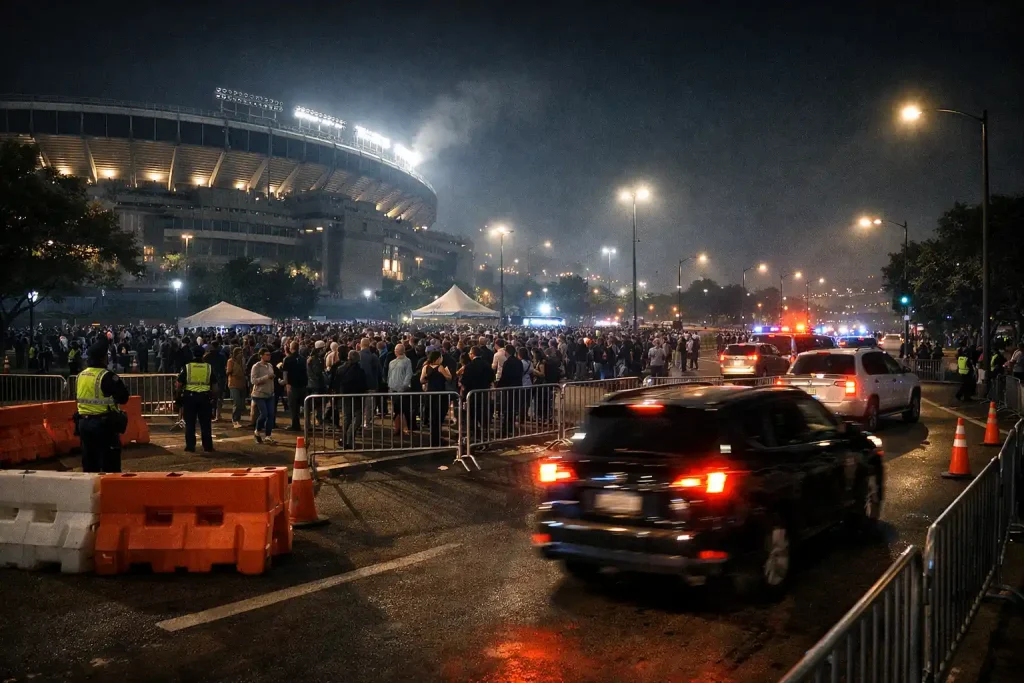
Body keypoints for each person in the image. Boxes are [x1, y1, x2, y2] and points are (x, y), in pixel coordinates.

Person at [75, 339, 130, 473]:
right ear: (103, 357)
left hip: (83, 424)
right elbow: (124, 398)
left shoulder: (80, 375)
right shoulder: (107, 376)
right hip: (103, 425)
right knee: (110, 465)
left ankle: (91, 492)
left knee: (89, 465)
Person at [176, 346, 216, 453]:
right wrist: (213, 398)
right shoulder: (208, 367)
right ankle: (207, 446)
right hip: (205, 398)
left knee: (190, 423)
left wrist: (178, 396)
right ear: (203, 354)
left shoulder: (187, 367)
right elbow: (215, 385)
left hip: (190, 398)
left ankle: (190, 447)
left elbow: (179, 384)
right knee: (206, 424)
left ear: (193, 354)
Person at [333, 350, 368, 449]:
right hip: (357, 397)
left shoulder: (340, 369)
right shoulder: (359, 371)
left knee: (346, 418)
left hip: (345, 397)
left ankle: (345, 440)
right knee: (358, 418)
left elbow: (336, 383)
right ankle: (349, 437)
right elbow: (363, 385)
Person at [420, 350, 452, 446]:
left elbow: (421, 380)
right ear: (438, 358)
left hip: (430, 394)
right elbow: (449, 378)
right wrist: (447, 373)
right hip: (440, 394)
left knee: (432, 417)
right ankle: (437, 438)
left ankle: (433, 438)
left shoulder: (425, 367)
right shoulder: (440, 367)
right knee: (439, 417)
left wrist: (428, 380)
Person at [250, 347, 277, 444]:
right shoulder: (256, 367)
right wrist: (267, 377)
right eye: (267, 354)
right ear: (261, 355)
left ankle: (268, 435)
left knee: (271, 415)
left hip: (269, 394)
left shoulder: (270, 365)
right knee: (264, 414)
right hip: (259, 394)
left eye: (269, 354)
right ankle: (257, 431)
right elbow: (254, 381)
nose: (269, 356)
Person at [387, 343, 414, 435]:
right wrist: (389, 387)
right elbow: (389, 376)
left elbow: (408, 374)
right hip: (393, 389)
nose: (395, 351)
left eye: (397, 349)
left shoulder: (407, 361)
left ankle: (405, 428)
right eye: (395, 349)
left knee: (403, 409)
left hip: (402, 390)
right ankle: (397, 428)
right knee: (396, 410)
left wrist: (404, 386)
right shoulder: (392, 362)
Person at [282, 341, 309, 432]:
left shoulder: (287, 359)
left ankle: (295, 425)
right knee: (304, 406)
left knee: (293, 407)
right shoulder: (303, 359)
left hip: (292, 386)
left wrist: (286, 384)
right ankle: (307, 425)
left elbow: (285, 373)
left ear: (291, 348)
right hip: (303, 385)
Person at [226, 346, 247, 428]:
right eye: (239, 353)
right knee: (237, 402)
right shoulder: (230, 361)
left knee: (241, 403)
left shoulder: (242, 361)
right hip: (233, 384)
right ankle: (234, 419)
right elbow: (228, 372)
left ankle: (238, 419)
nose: (241, 354)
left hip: (242, 384)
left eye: (242, 353)